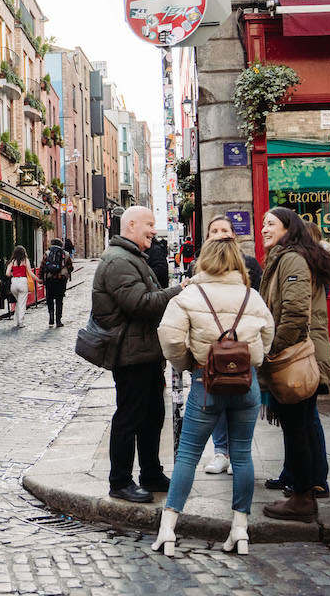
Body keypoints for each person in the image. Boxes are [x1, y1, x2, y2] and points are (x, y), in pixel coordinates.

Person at [151, 237, 275, 557]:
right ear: (237, 260)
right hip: (246, 386)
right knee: (243, 455)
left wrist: (187, 364)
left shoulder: (190, 295)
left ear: (204, 260)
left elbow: (169, 335)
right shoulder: (252, 296)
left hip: (207, 384)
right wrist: (252, 360)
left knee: (189, 455)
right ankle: (240, 530)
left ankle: (168, 529)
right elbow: (268, 335)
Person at [92, 205, 184, 503]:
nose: (153, 230)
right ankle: (120, 481)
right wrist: (179, 290)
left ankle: (151, 473)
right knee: (130, 418)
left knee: (153, 416)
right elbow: (140, 303)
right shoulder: (118, 261)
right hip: (130, 354)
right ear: (130, 225)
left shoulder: (132, 257)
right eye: (149, 224)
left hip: (145, 351)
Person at [258, 207, 330, 523]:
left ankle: (303, 498)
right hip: (296, 354)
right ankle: (302, 492)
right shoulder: (285, 257)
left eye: (271, 224)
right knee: (298, 426)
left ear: (289, 228)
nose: (264, 228)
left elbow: (293, 315)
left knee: (297, 428)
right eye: (262, 223)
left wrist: (270, 351)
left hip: (296, 357)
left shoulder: (291, 259)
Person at [197, 214, 263, 475]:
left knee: (241, 401)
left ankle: (238, 455)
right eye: (214, 230)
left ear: (234, 235)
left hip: (240, 346)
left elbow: (258, 305)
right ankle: (220, 452)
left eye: (225, 230)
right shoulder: (201, 265)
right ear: (208, 236)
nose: (220, 234)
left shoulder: (248, 264)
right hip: (211, 350)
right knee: (216, 405)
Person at [39, 238, 74, 327]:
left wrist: (41, 278)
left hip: (50, 279)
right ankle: (58, 320)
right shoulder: (66, 254)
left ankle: (51, 317)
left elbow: (42, 267)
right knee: (59, 300)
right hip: (61, 280)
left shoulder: (47, 253)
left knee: (49, 298)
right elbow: (70, 267)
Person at [5, 246, 37, 327]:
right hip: (22, 282)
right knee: (22, 303)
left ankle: (17, 320)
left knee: (18, 302)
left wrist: (14, 274)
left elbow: (7, 274)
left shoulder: (12, 261)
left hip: (14, 282)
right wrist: (38, 279)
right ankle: (20, 322)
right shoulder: (25, 260)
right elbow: (30, 273)